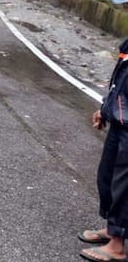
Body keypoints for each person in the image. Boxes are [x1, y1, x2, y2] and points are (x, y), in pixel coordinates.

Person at [80, 38, 128, 262]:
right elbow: (119, 83)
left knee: (124, 186)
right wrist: (105, 109)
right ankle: (111, 229)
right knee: (106, 177)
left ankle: (117, 246)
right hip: (119, 120)